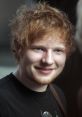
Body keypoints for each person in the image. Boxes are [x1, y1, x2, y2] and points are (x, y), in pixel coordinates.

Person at [0, 2, 75, 117]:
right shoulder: (3, 100)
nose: (48, 60)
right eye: (39, 49)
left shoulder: (58, 94)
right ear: (18, 47)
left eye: (58, 51)